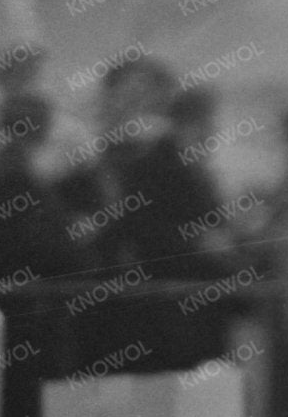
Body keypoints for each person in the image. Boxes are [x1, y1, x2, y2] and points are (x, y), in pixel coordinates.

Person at [68, 51, 247, 380]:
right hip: (117, 315)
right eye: (125, 96)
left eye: (145, 98)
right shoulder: (88, 165)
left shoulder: (173, 162)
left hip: (173, 314)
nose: (132, 108)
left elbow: (199, 230)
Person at [0, 76, 85, 417]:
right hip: (25, 309)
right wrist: (72, 244)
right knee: (24, 400)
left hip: (26, 306)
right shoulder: (13, 176)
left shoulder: (12, 171)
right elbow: (30, 243)